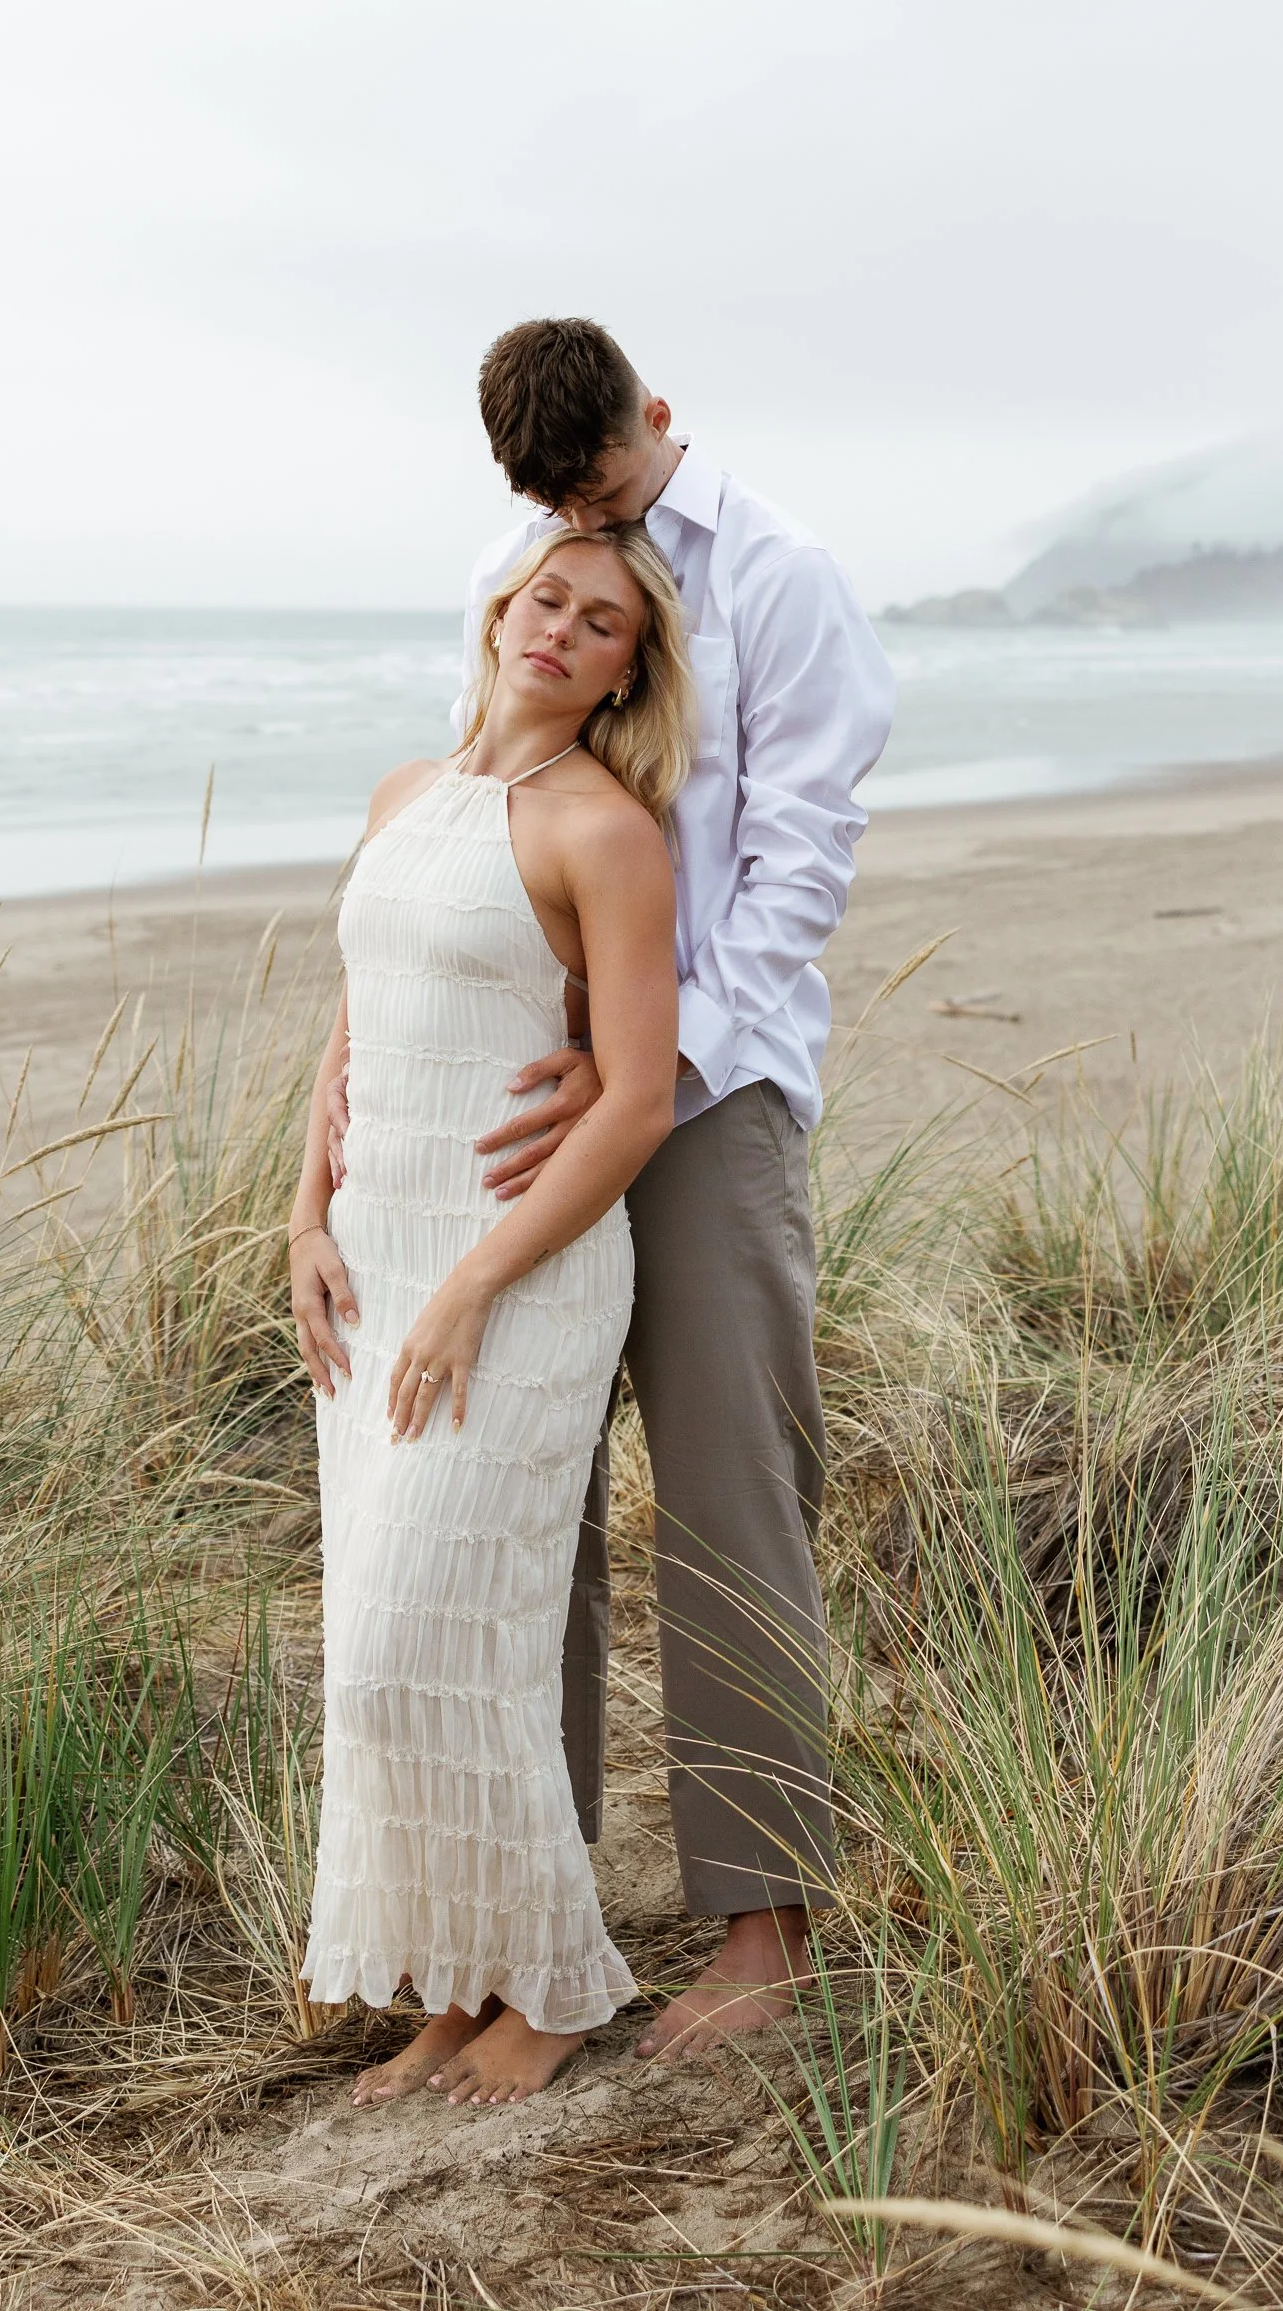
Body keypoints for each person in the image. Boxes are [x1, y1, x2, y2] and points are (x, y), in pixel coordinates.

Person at [458, 318, 896, 2063]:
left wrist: (655, 1067)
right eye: (562, 502)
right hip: (536, 1104)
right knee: (524, 1502)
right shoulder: (525, 564)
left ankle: (768, 1929)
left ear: (661, 415)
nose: (592, 520)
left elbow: (797, 873)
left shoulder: (783, 580)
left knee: (730, 1496)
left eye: (613, 483)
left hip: (707, 1103)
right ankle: (526, 1917)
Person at [288, 522, 696, 2105]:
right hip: (372, 1266)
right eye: (548, 600)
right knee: (385, 1654)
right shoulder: (408, 795)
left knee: (434, 1647)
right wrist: (301, 1220)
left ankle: (556, 1987)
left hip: (512, 1281)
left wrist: (470, 1287)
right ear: (500, 614)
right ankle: (457, 1991)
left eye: (601, 624)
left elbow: (640, 1100)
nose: (564, 630)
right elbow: (350, 1034)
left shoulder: (604, 831)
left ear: (620, 672)